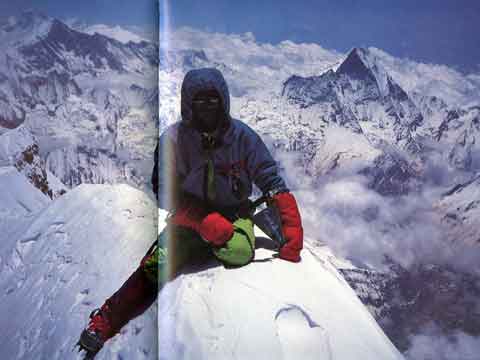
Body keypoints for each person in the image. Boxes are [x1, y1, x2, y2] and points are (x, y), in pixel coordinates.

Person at [78, 67, 304, 356]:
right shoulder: (173, 139)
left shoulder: (244, 138)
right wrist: (200, 220)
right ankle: (105, 321)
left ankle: (203, 247)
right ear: (188, 104)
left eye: (213, 100)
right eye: (200, 101)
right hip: (187, 217)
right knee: (153, 266)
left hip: (235, 215)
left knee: (239, 251)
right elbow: (163, 189)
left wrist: (291, 227)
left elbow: (271, 181)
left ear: (224, 102)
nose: (207, 107)